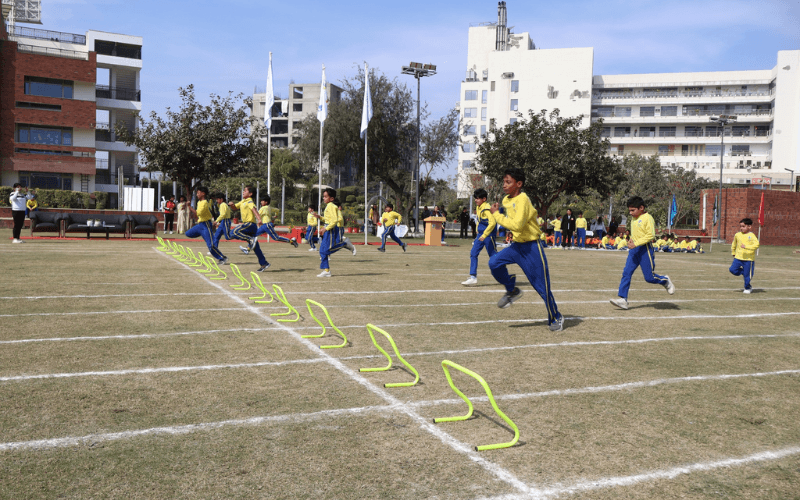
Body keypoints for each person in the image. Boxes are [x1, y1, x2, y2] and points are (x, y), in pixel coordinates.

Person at [487, 168, 564, 331]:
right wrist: (498, 212)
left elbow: (516, 224)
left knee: (541, 286)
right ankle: (512, 290)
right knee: (494, 263)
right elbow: (509, 218)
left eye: (508, 182)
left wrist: (496, 215)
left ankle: (556, 316)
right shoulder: (506, 201)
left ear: (519, 184)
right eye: (504, 182)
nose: (504, 185)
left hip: (531, 248)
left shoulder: (523, 200)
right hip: (516, 246)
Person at [610, 196, 675, 310]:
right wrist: (631, 240)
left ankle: (665, 281)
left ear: (641, 208)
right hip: (634, 251)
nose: (630, 213)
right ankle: (623, 299)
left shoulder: (648, 218)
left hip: (645, 250)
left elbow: (650, 235)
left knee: (649, 278)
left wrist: (636, 243)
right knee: (626, 273)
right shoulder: (634, 218)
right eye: (629, 210)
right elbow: (636, 233)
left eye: (632, 210)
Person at [316, 188, 356, 278]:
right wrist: (320, 217)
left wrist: (326, 228)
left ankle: (344, 244)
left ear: (332, 198)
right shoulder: (329, 206)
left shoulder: (331, 206)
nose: (324, 198)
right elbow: (328, 219)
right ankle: (326, 270)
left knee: (325, 250)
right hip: (328, 229)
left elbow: (334, 221)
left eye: (326, 197)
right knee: (322, 251)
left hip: (330, 231)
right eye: (323, 196)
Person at [229, 185, 270, 272]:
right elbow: (235, 207)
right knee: (256, 248)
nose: (243, 192)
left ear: (250, 194)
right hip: (250, 226)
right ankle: (264, 263)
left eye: (245, 191)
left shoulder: (249, 201)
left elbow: (254, 210)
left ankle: (250, 240)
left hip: (249, 224)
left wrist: (259, 219)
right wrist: (232, 205)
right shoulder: (243, 201)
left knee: (233, 233)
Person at [462, 188, 497, 286]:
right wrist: (478, 230)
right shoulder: (479, 207)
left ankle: (505, 276)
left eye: (478, 198)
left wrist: (485, 234)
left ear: (484, 199)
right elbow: (479, 220)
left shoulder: (487, 209)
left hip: (488, 235)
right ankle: (473, 277)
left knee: (493, 257)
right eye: (475, 198)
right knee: (473, 253)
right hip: (480, 235)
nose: (476, 200)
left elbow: (493, 223)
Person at [185, 187, 228, 265]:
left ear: (203, 193)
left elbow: (198, 213)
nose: (197, 194)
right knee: (188, 233)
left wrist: (189, 207)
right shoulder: (199, 202)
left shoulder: (205, 202)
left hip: (206, 225)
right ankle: (204, 234)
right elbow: (198, 215)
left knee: (210, 245)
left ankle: (222, 258)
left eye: (198, 193)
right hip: (200, 225)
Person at [730, 218, 759, 293]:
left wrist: (746, 247)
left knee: (747, 276)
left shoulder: (752, 235)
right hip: (738, 258)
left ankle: (747, 288)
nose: (741, 228)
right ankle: (743, 272)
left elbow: (756, 245)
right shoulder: (737, 235)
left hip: (749, 259)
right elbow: (734, 244)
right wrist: (733, 252)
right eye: (740, 226)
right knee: (732, 270)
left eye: (743, 226)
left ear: (749, 227)